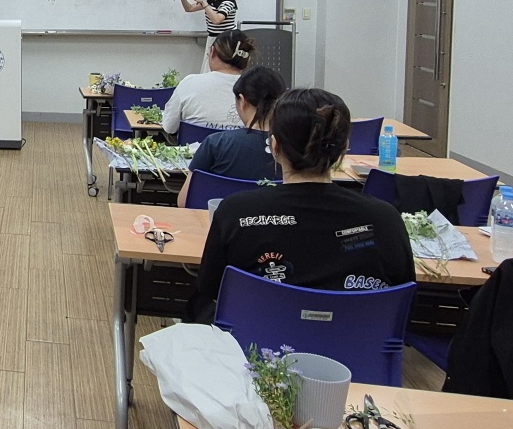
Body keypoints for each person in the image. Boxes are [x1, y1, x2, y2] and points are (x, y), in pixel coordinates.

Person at [186, 89, 414, 321]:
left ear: (274, 146)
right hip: (358, 343)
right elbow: (403, 300)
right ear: (344, 148)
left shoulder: (235, 212)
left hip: (254, 342)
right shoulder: (385, 219)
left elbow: (209, 291)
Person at [177, 64, 286, 204]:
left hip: (220, 217)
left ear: (242, 101)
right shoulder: (293, 147)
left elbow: (184, 201)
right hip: (277, 217)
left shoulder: (216, 143)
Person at [161, 31, 255, 137]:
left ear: (212, 52)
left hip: (195, 147)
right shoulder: (257, 90)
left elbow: (169, 127)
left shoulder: (189, 83)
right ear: (247, 60)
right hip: (241, 148)